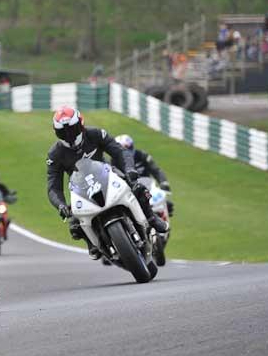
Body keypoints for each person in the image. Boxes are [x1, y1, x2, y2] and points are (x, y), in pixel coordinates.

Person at [45, 106, 168, 260]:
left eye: (72, 129)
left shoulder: (96, 134)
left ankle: (151, 218)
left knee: (137, 187)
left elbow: (120, 152)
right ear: (57, 133)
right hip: (80, 187)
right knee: (74, 224)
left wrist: (130, 169)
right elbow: (53, 187)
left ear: (81, 124)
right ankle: (92, 243)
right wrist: (61, 205)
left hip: (107, 174)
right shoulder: (54, 154)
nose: (69, 135)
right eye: (64, 132)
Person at [113, 134, 174, 217]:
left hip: (148, 188)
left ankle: (165, 223)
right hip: (130, 191)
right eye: (122, 149)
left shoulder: (142, 155)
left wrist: (164, 184)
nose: (126, 151)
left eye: (127, 148)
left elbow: (156, 170)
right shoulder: (115, 162)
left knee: (167, 205)